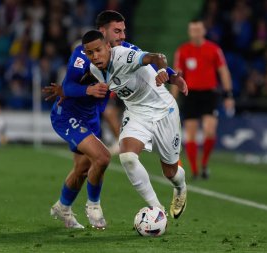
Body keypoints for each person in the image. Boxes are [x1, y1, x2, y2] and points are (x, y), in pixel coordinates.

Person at [43, 10, 186, 229]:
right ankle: (94, 206)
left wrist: (173, 75)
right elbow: (68, 86)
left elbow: (150, 59)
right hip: (70, 115)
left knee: (82, 168)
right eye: (116, 31)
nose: (122, 35)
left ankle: (63, 207)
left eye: (123, 31)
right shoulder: (83, 55)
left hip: (92, 116)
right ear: (102, 32)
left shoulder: (123, 51)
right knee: (102, 157)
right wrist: (88, 89)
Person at [82, 30, 188, 219]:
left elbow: (157, 58)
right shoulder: (94, 70)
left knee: (170, 172)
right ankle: (158, 210)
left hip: (164, 111)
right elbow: (87, 82)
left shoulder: (124, 55)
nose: (95, 56)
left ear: (108, 46)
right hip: (136, 113)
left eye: (98, 50)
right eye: (90, 53)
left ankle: (180, 188)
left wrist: (164, 72)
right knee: (128, 157)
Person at [172, 19, 235, 180]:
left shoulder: (214, 49)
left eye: (198, 29)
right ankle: (194, 170)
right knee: (191, 133)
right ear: (189, 32)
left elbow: (223, 71)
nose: (196, 32)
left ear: (203, 31)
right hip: (190, 94)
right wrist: (172, 98)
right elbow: (177, 76)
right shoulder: (183, 50)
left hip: (209, 94)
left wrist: (228, 94)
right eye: (193, 30)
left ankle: (205, 164)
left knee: (209, 130)